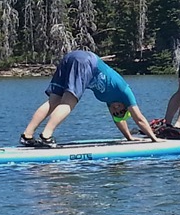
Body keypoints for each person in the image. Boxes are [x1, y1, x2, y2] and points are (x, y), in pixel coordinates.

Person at [20, 50, 161, 147]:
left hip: (73, 58)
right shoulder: (125, 92)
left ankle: (27, 136)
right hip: (85, 61)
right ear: (125, 105)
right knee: (69, 102)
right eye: (120, 109)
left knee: (54, 101)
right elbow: (139, 119)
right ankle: (46, 136)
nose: (116, 109)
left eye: (116, 112)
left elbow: (119, 120)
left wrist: (129, 137)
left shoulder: (110, 102)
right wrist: (154, 139)